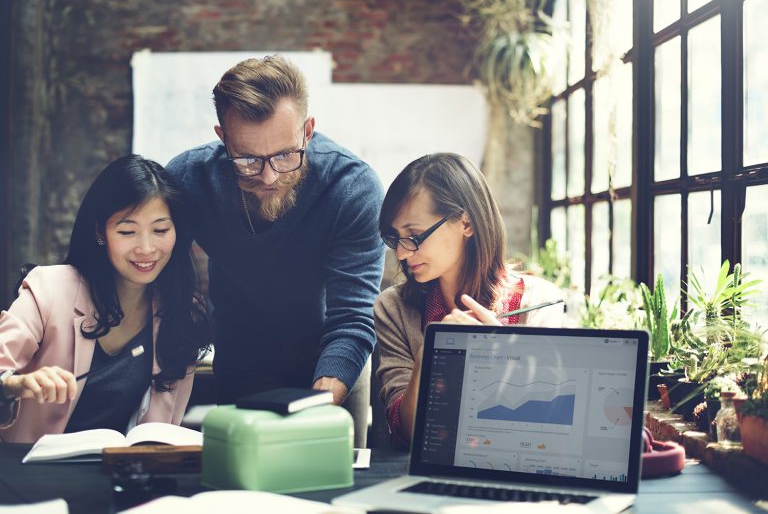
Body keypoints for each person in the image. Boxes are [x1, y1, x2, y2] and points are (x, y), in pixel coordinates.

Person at [166, 55, 384, 446]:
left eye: (285, 155)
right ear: (222, 137)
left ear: (308, 131)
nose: (269, 177)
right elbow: (155, 277)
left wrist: (320, 399)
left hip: (333, 363)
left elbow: (352, 317)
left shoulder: (352, 189)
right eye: (247, 159)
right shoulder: (189, 179)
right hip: (238, 361)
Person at [0, 155, 212, 443]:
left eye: (160, 230)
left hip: (125, 477)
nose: (147, 248)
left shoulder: (184, 313)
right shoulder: (49, 289)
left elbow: (165, 431)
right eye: (127, 231)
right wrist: (14, 384)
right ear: (101, 232)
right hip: (33, 476)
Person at [374, 153, 564, 445]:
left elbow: (548, 426)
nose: (400, 253)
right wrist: (430, 354)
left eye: (414, 235)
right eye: (395, 237)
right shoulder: (394, 309)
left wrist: (503, 357)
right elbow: (407, 433)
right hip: (422, 475)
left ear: (467, 223)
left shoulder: (538, 304)